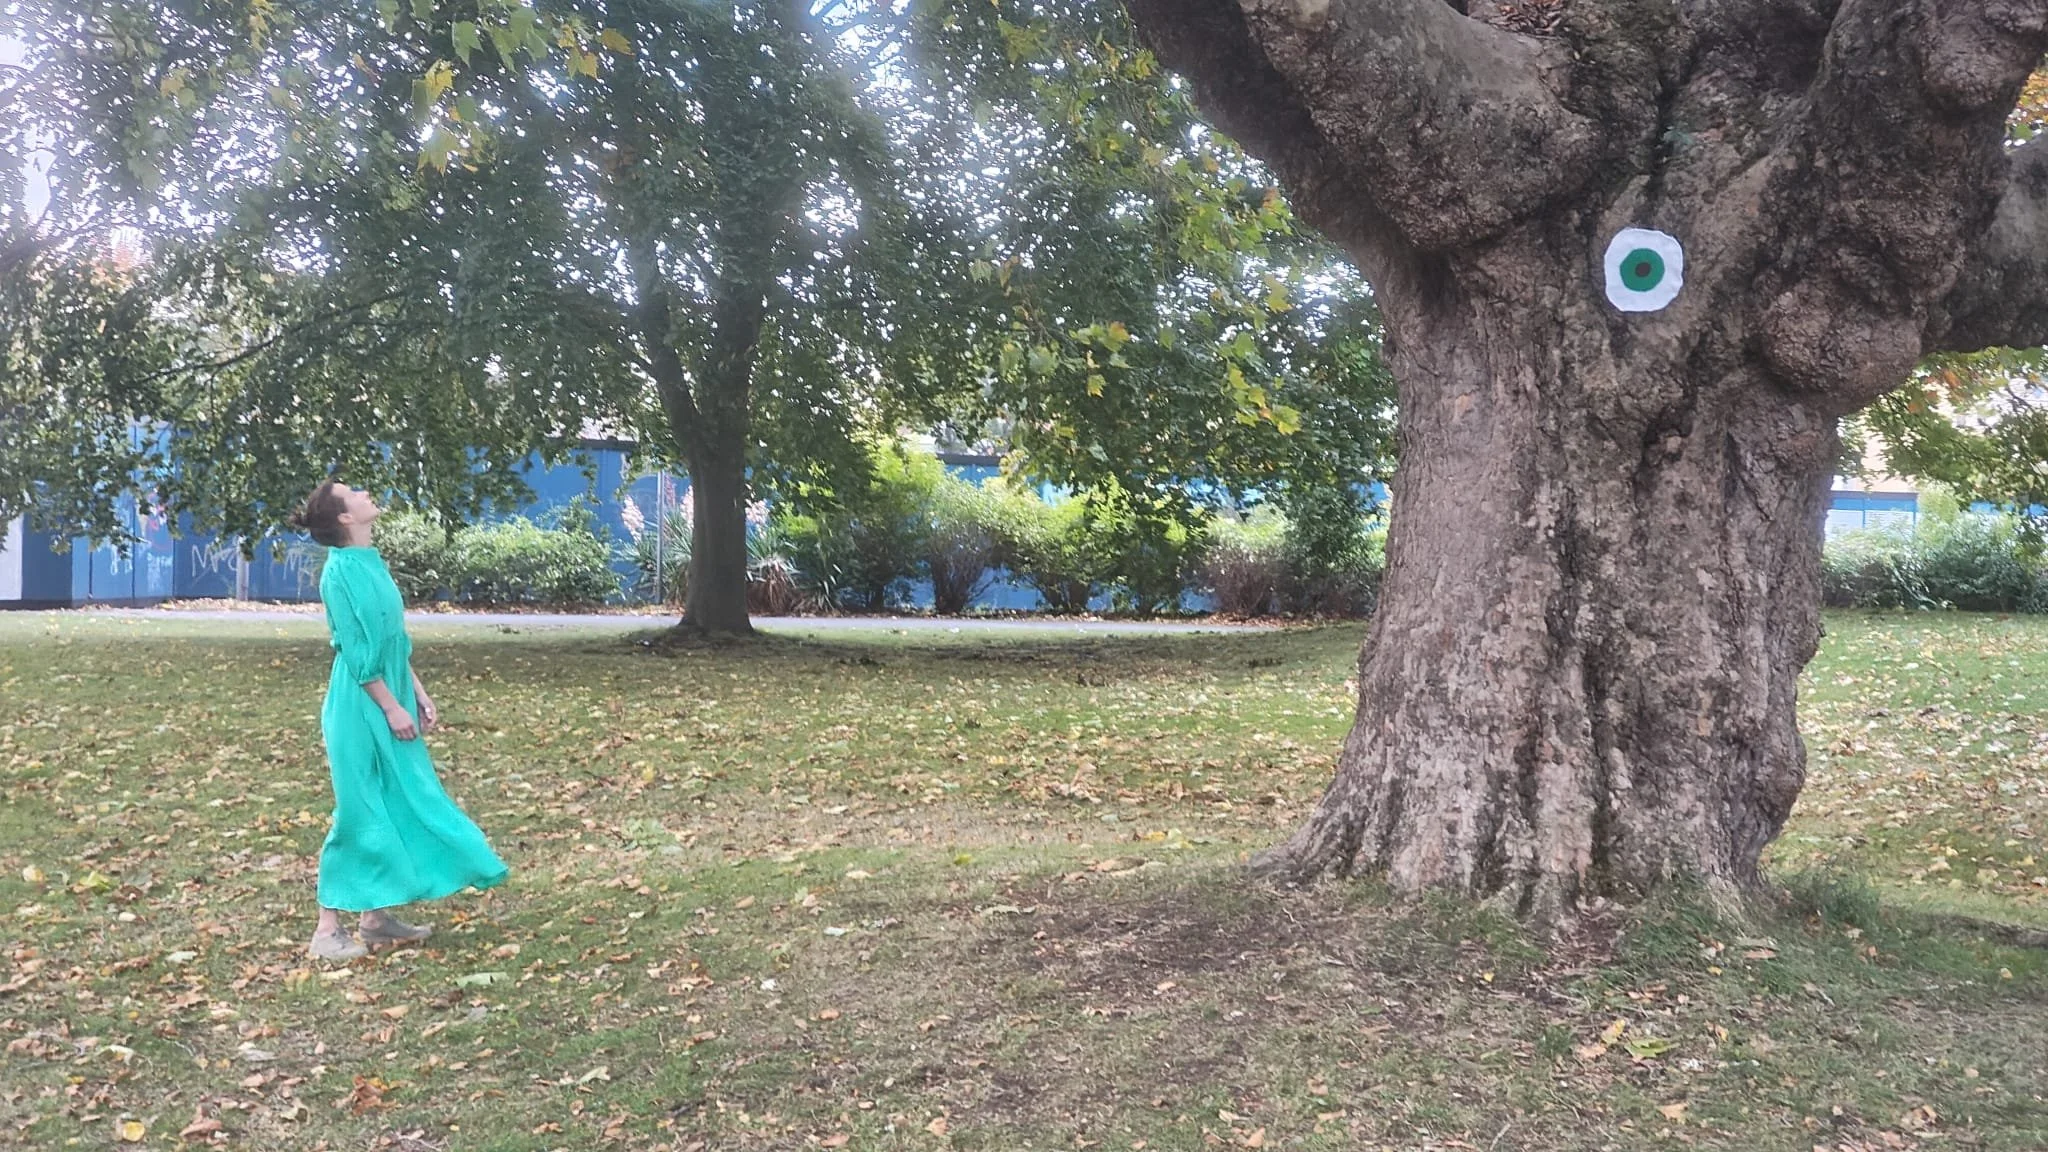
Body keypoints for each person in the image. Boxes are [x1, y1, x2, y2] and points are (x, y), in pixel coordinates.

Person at [288, 480, 508, 960]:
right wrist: (389, 704)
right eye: (353, 493)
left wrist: (417, 692)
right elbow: (353, 648)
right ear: (345, 518)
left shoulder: (369, 560)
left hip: (391, 693)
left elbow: (391, 639)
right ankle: (327, 930)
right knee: (359, 807)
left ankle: (376, 919)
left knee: (397, 798)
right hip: (359, 705)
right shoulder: (340, 572)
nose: (366, 492)